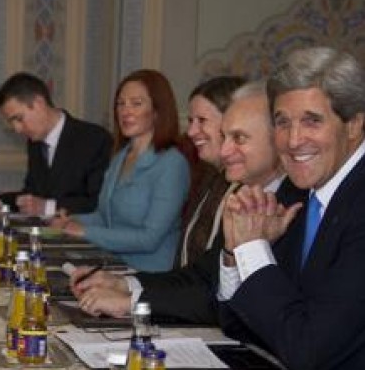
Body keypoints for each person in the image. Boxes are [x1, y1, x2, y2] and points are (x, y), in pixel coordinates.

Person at [71, 81, 294, 324]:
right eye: (225, 136)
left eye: (237, 138)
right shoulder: (223, 182)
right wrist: (123, 283)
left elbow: (232, 303)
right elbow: (201, 275)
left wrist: (132, 300)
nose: (226, 150)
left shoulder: (291, 207)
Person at [219, 47, 365, 370]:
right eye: (283, 122)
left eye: (312, 121)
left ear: (354, 124)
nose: (294, 140)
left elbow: (305, 348)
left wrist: (253, 249)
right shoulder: (299, 191)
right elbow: (241, 324)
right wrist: (234, 253)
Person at [49, 69, 190, 272]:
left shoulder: (172, 164)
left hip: (150, 276)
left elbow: (148, 239)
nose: (125, 111)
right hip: (113, 266)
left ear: (158, 111)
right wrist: (71, 220)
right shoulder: (121, 156)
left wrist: (84, 231)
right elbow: (106, 217)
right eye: (121, 103)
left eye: (136, 103)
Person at [0, 72, 111, 218]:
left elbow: (99, 202)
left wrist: (48, 207)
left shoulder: (94, 139)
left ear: (39, 104)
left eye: (18, 119)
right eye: (11, 123)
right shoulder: (35, 143)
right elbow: (33, 195)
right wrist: (0, 201)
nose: (17, 129)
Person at [175, 75, 246, 267]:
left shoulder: (250, 188)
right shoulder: (209, 176)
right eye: (190, 121)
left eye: (201, 120)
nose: (191, 131)